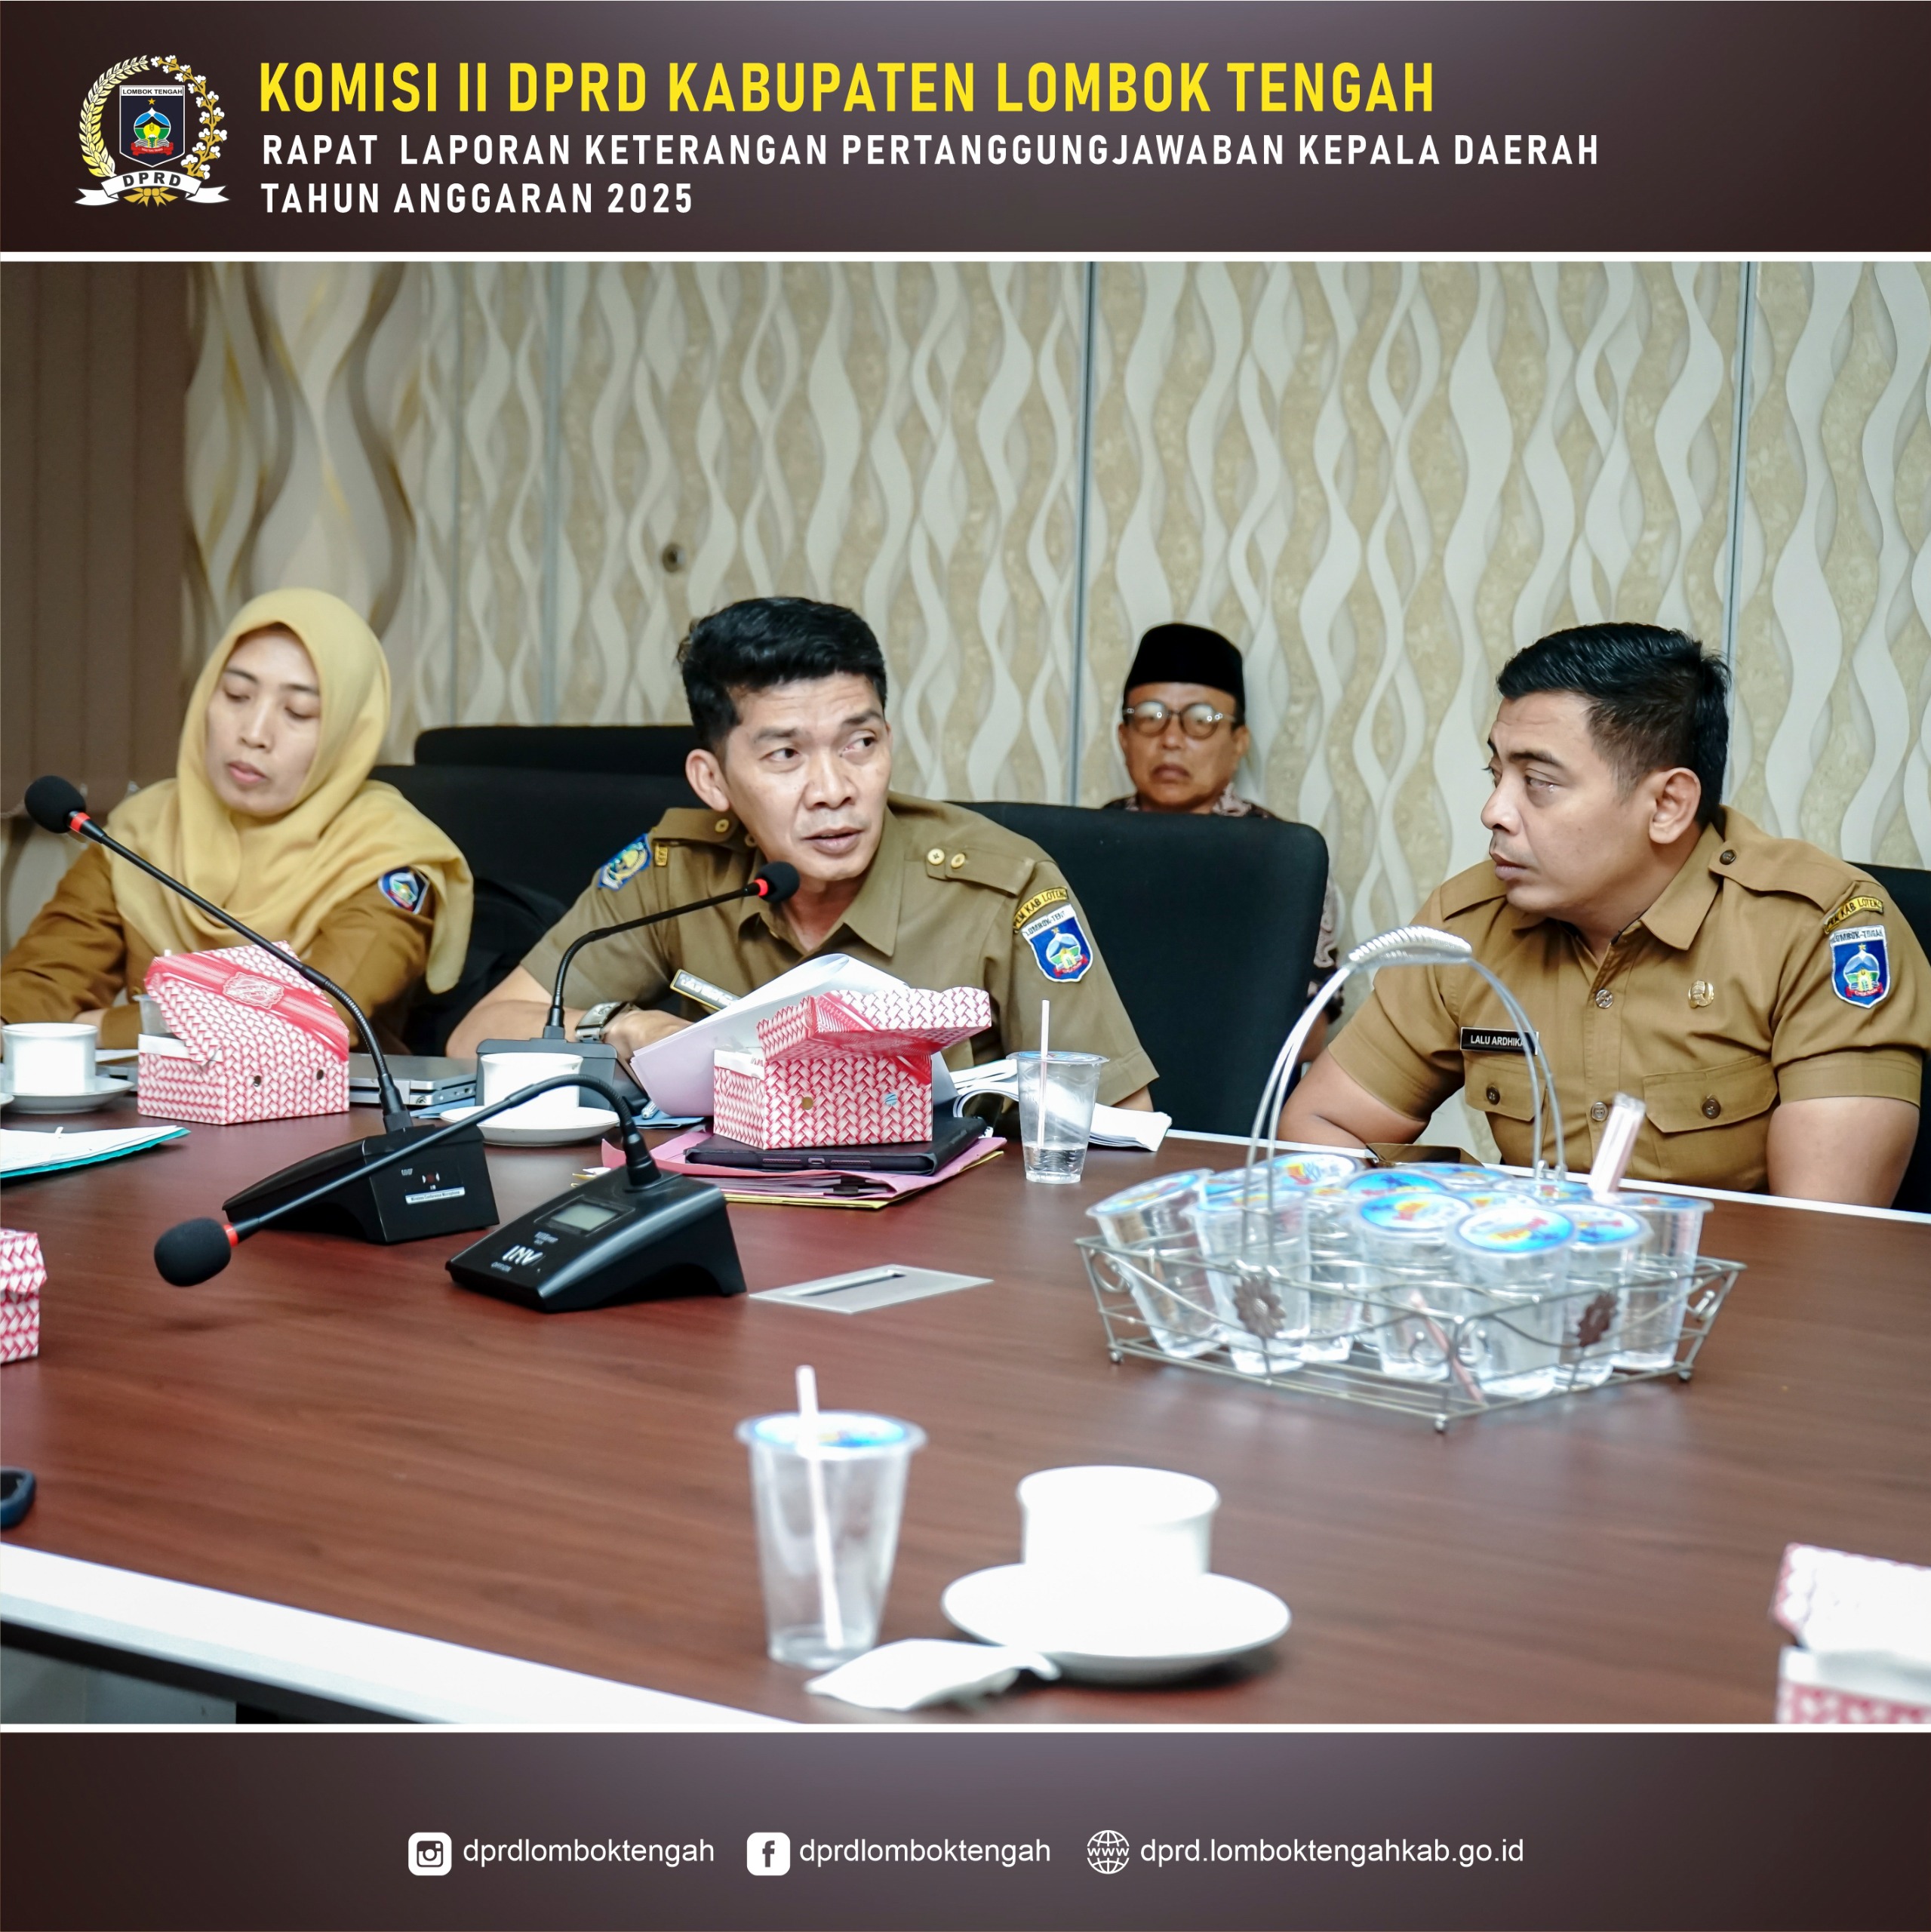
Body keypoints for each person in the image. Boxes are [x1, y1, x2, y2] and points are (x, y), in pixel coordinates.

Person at [1280, 623, 1926, 1206]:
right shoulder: (1470, 923)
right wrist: (1465, 1218)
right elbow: (1318, 1128)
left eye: (1538, 783)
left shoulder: (1822, 928)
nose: (1493, 811)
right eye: (1496, 774)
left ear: (1667, 805)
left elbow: (1821, 1230)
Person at [451, 596, 1157, 1109]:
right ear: (712, 781)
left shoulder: (1002, 888)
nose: (834, 790)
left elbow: (1120, 1124)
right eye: (785, 755)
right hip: (736, 1216)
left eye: (860, 744)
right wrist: (621, 1027)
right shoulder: (677, 872)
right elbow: (480, 1034)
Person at [2, 589, 474, 1052]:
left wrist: (106, 1028)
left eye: (298, 712)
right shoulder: (141, 832)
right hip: (151, 1101)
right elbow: (41, 982)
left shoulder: (388, 857)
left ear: (347, 733)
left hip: (328, 1102)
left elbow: (314, 1014)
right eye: (236, 695)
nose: (253, 733)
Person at [1105, 621, 1340, 1048]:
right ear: (1124, 737)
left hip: (1235, 1082)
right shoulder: (1084, 846)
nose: (1171, 740)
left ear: (1239, 742)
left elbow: (1310, 1033)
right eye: (1150, 717)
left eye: (1201, 721)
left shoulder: (1281, 857)